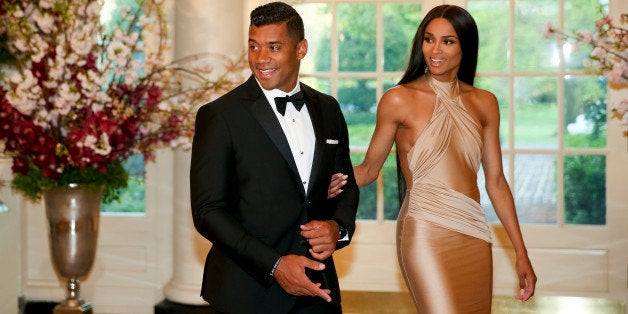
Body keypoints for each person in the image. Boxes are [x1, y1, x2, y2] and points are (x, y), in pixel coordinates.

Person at [329, 5, 536, 313]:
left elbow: (495, 181)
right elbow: (368, 171)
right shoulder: (399, 99)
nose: (435, 50)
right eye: (429, 39)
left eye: (448, 41)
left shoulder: (485, 103)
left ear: (465, 46)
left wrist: (521, 253)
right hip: (424, 228)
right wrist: (318, 182)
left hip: (473, 231)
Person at [189, 2, 359, 314]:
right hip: (248, 292)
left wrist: (338, 227)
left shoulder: (328, 109)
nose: (261, 58)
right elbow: (208, 211)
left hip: (318, 290)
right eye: (253, 46)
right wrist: (275, 265)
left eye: (274, 47)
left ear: (301, 48)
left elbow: (345, 185)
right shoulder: (220, 116)